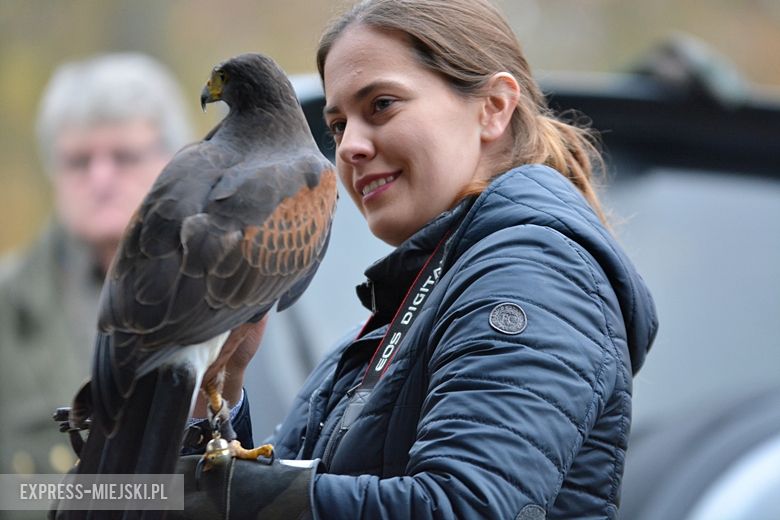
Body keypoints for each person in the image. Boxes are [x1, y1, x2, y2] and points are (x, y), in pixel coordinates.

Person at [184, 0, 656, 518]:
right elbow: (284, 480)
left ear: (493, 107)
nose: (349, 148)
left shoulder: (534, 272)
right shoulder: (409, 304)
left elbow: (466, 508)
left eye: (381, 105)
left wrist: (211, 500)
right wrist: (218, 387)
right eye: (338, 126)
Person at [0, 53, 193, 478]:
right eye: (79, 161)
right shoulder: (9, 306)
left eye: (124, 156)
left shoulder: (237, 274)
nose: (100, 179)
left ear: (175, 161)